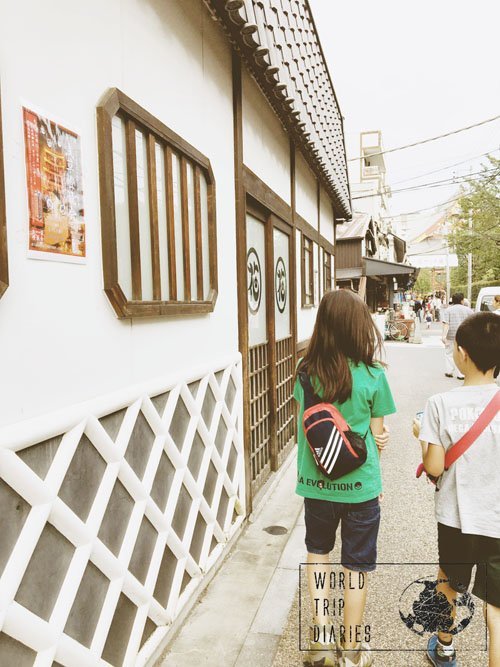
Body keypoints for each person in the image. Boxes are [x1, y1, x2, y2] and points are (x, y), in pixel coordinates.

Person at [295, 290, 396, 667]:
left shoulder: (305, 373)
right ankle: (352, 649)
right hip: (361, 488)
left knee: (318, 554)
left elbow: (306, 429)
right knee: (357, 565)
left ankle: (322, 643)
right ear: (359, 327)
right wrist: (378, 473)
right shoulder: (373, 374)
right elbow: (377, 438)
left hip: (316, 486)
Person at [413, 313, 500, 667]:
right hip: (497, 520)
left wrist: (421, 436)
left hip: (456, 518)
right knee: (495, 606)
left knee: (448, 583)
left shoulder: (440, 404)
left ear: (461, 354)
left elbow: (434, 468)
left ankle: (445, 647)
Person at [442, 293, 473, 380]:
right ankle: (461, 374)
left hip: (451, 335)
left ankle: (449, 371)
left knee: (449, 353)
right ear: (462, 300)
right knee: (463, 354)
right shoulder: (469, 310)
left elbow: (446, 324)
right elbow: (472, 324)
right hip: (464, 336)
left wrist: (444, 336)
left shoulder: (448, 310)